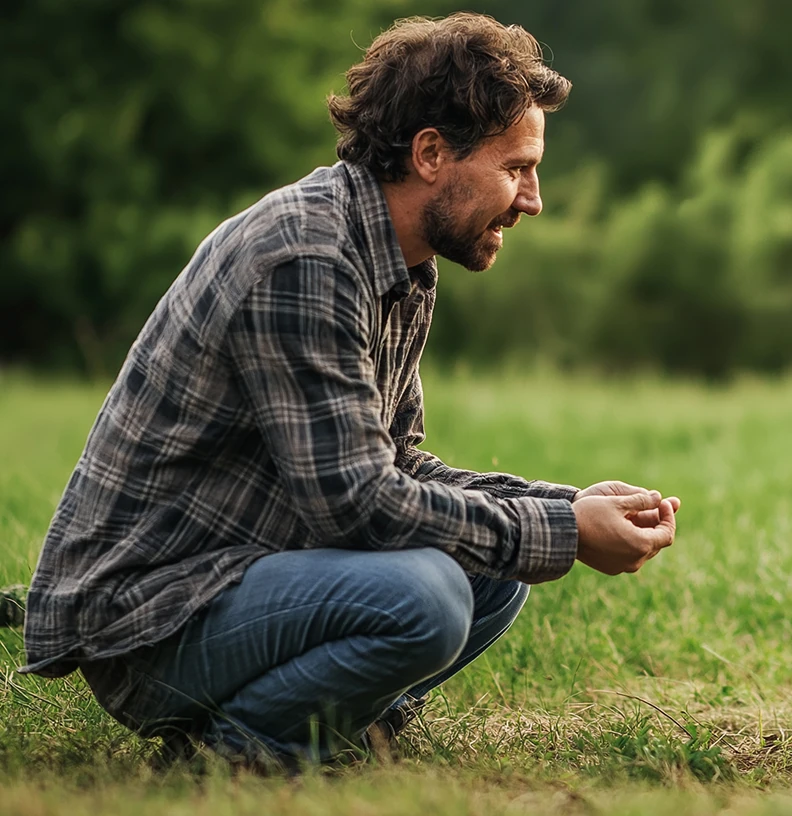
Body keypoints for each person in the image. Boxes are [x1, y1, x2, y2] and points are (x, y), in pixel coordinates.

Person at [20, 12, 680, 767]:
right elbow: (359, 504)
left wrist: (563, 509)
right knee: (429, 595)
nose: (532, 199)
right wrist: (562, 532)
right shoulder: (304, 259)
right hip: (149, 622)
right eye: (516, 168)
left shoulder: (403, 264)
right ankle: (238, 753)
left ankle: (329, 733)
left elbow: (401, 468)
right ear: (431, 153)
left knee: (497, 574)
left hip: (247, 576)